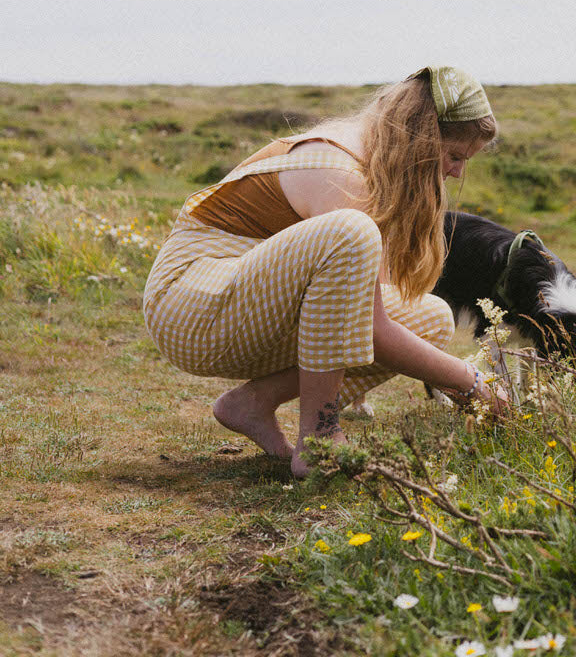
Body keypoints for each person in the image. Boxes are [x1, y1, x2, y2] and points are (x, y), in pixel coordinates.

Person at [143, 66, 508, 477]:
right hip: (187, 304)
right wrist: (470, 381)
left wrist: (464, 382)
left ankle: (253, 403)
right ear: (419, 137)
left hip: (235, 298)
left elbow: (364, 316)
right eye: (455, 155)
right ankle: (319, 439)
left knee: (431, 318)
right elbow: (370, 326)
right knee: (352, 234)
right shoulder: (341, 171)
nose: (457, 172)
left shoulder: (371, 158)